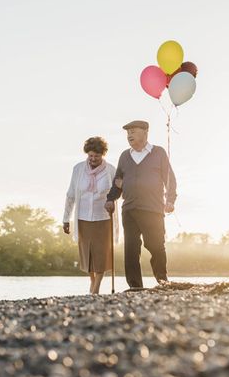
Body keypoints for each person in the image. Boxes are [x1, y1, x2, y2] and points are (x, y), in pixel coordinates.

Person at [104, 120, 177, 289]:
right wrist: (110, 199)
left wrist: (170, 200)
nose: (129, 135)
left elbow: (170, 179)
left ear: (145, 132)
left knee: (156, 246)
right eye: (127, 133)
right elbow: (117, 182)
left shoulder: (158, 152)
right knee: (131, 249)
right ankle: (135, 286)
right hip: (129, 209)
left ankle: (162, 281)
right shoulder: (125, 156)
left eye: (133, 131)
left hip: (152, 209)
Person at [63, 136, 118, 294]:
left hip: (103, 218)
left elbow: (117, 193)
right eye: (90, 155)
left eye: (97, 156)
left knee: (101, 254)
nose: (93, 159)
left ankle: (96, 288)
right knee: (87, 255)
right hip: (83, 218)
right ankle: (93, 281)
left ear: (103, 154)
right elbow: (71, 195)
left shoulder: (110, 170)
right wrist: (66, 219)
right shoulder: (78, 169)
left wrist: (112, 201)